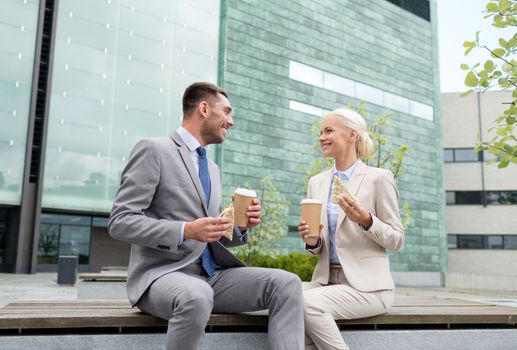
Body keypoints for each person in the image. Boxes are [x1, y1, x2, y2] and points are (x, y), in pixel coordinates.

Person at [109, 82, 304, 350]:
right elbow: (120, 221)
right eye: (226, 112)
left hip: (212, 276)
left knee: (286, 283)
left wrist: (240, 225)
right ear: (203, 108)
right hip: (163, 275)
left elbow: (211, 230)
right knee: (197, 295)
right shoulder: (154, 150)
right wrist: (185, 230)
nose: (231, 121)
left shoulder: (212, 168)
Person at [297, 108, 404, 350]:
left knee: (306, 302)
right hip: (325, 282)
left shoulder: (379, 178)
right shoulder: (317, 182)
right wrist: (312, 240)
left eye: (328, 131)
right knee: (281, 294)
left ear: (351, 135)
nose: (321, 137)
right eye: (320, 132)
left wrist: (367, 220)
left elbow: (397, 240)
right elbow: (317, 247)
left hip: (369, 287)